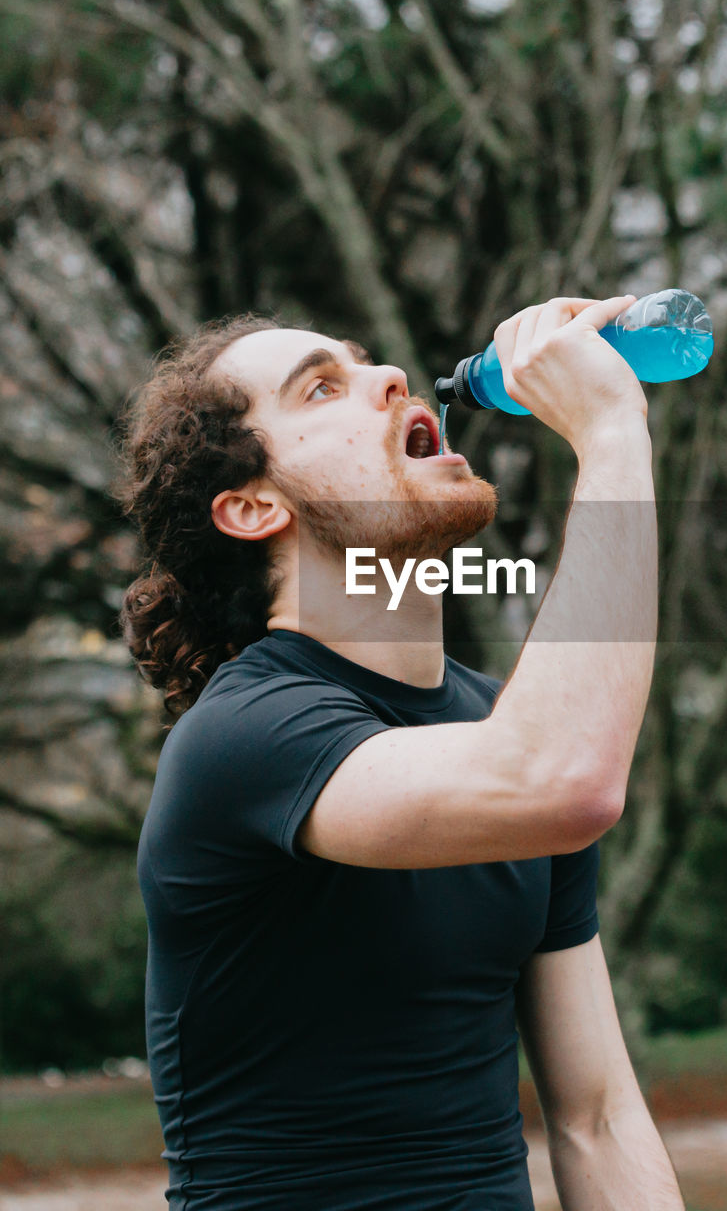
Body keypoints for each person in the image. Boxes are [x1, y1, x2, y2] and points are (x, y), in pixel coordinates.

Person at [121, 295, 684, 1210]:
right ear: (254, 505)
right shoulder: (244, 739)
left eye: (369, 362)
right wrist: (613, 433)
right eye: (321, 389)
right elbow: (562, 777)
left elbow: (597, 1116)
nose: (389, 378)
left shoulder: (497, 724)